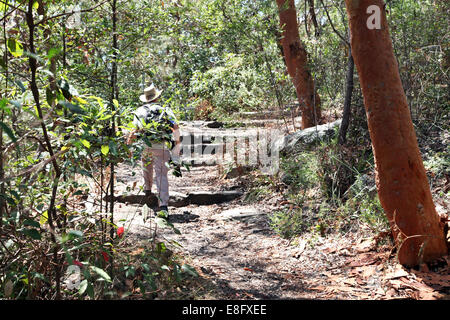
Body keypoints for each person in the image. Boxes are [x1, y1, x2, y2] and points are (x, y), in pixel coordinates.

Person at [127, 84, 181, 215]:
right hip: (161, 146)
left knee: (146, 167)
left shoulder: (139, 111)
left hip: (145, 145)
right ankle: (163, 206)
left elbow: (134, 130)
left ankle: (148, 191)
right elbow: (175, 126)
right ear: (157, 97)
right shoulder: (164, 110)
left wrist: (129, 145)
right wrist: (177, 145)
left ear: (146, 98)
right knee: (161, 174)